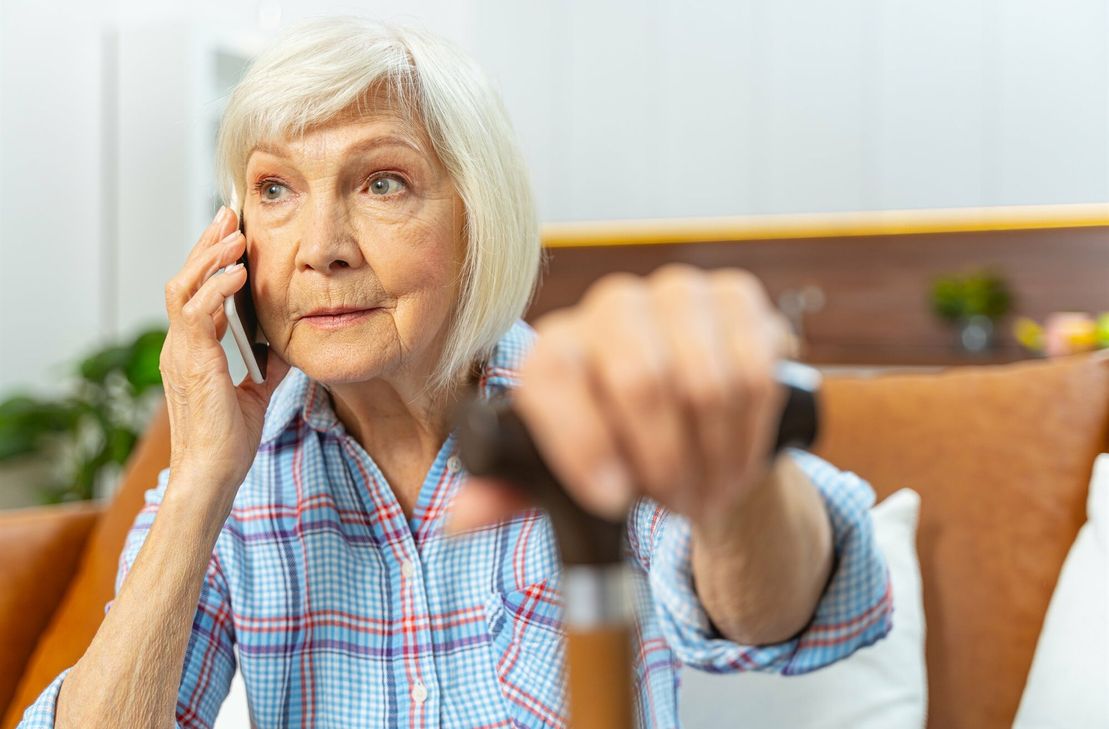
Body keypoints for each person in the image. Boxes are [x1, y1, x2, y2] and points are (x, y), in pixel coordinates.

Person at [20, 17, 891, 729]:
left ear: (481, 218)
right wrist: (200, 477)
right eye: (276, 190)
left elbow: (790, 612)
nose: (319, 247)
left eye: (383, 183)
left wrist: (729, 473)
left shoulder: (591, 405)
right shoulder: (235, 480)